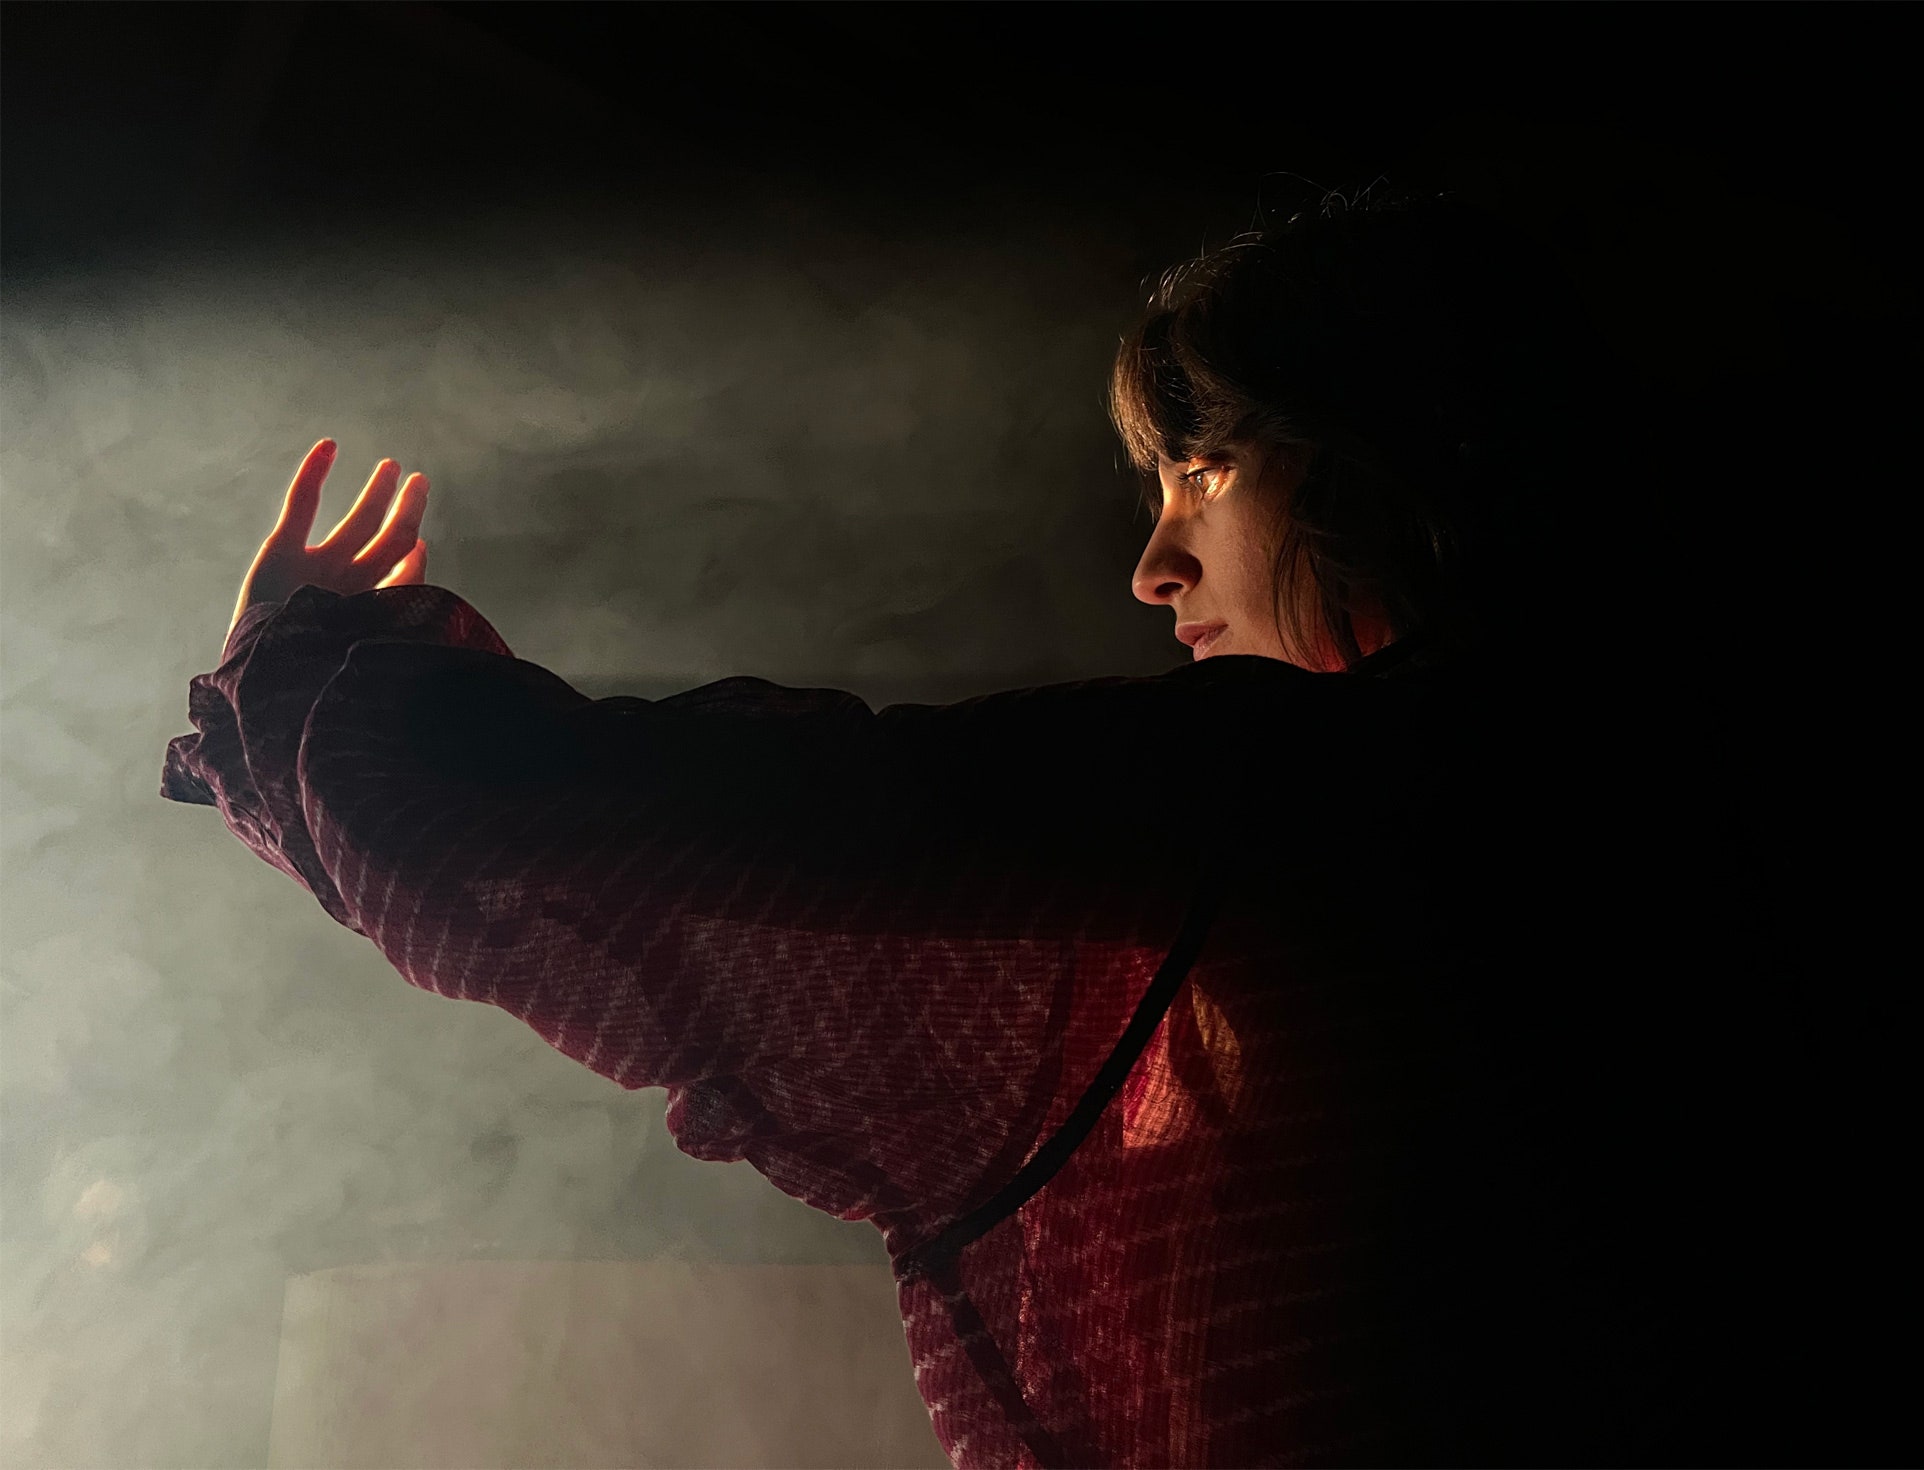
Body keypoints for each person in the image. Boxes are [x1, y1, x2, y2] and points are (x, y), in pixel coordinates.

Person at [162, 187, 1768, 1467]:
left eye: (1201, 465)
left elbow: (764, 824)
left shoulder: (1327, 786)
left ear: (1399, 453)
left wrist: (306, 676)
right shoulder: (1660, 784)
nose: (1155, 566)